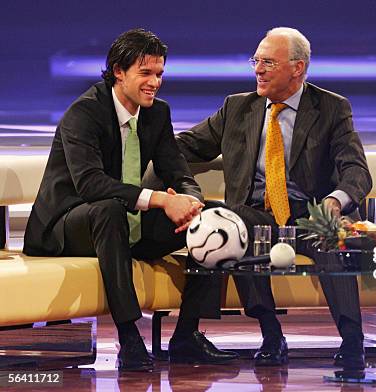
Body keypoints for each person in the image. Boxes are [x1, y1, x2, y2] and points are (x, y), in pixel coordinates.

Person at [23, 29, 238, 371]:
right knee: (107, 210)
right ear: (118, 71)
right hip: (68, 225)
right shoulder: (85, 113)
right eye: (146, 73)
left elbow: (178, 172)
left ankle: (186, 335)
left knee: (214, 218)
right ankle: (129, 338)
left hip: (124, 227)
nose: (155, 82)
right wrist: (160, 201)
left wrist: (190, 203)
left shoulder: (157, 113)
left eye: (159, 74)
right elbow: (91, 185)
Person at [176, 27, 372, 368]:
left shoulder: (331, 108)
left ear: (297, 68)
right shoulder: (237, 108)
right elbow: (183, 146)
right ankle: (270, 333)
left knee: (329, 239)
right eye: (256, 60)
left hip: (313, 212)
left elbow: (357, 171)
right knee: (228, 225)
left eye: (268, 62)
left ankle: (352, 340)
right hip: (257, 212)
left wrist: (335, 202)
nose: (258, 69)